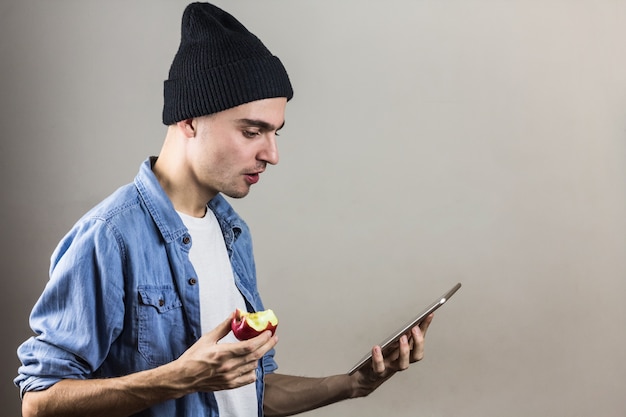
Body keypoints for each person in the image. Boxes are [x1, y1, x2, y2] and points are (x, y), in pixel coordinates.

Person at [15, 3, 434, 416]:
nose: (272, 154)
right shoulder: (110, 236)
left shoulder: (231, 232)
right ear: (190, 120)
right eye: (253, 131)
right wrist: (179, 378)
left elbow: (250, 392)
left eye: (275, 132)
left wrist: (352, 384)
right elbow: (40, 402)